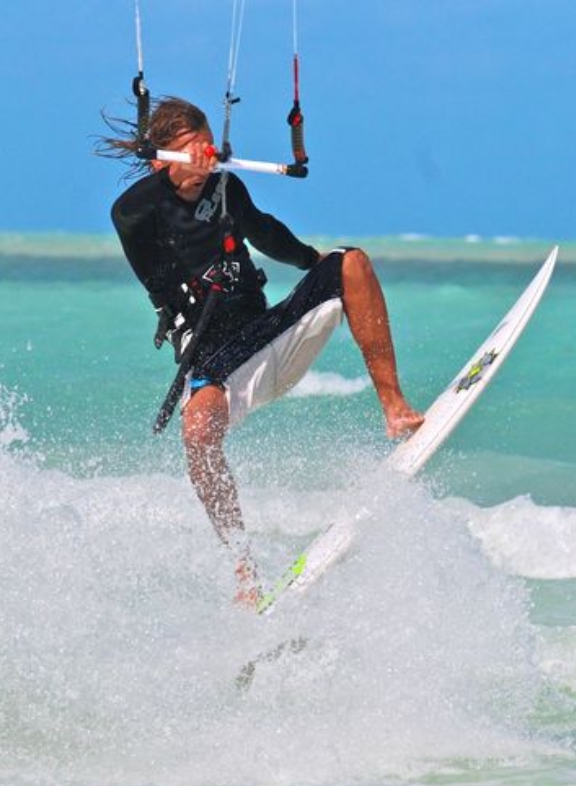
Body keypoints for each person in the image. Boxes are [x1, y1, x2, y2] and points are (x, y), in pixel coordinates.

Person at [103, 97, 423, 607]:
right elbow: (128, 210)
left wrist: (311, 260)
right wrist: (176, 178)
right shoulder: (139, 213)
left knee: (352, 263)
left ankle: (394, 408)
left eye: (205, 149)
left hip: (269, 334)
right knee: (197, 430)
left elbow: (265, 230)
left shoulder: (226, 188)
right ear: (160, 161)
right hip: (216, 364)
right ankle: (243, 568)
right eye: (187, 155)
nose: (203, 165)